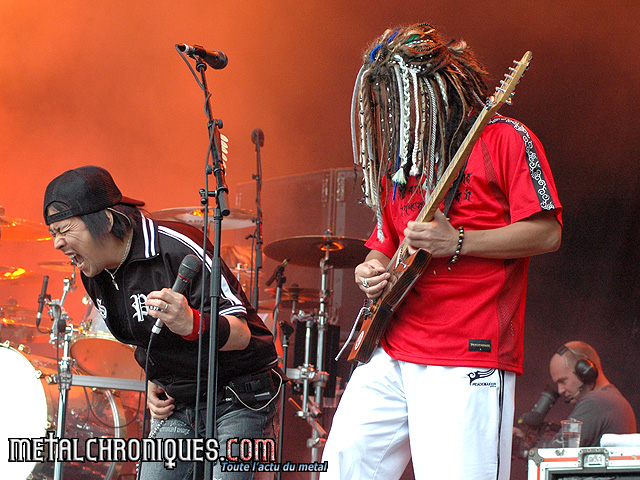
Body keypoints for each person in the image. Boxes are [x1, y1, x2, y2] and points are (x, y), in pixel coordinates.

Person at [321, 23, 562, 480]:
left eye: (403, 98)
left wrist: (459, 242)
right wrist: (370, 270)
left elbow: (547, 233)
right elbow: (383, 244)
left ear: (434, 90)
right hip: (392, 346)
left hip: (468, 351)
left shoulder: (505, 138)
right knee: (342, 467)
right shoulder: (404, 163)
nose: (395, 112)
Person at [43, 165, 281, 480]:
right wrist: (155, 375)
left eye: (64, 230)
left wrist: (192, 323)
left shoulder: (176, 246)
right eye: (53, 234)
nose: (57, 244)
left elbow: (241, 334)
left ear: (107, 221)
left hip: (238, 396)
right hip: (178, 402)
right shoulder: (93, 272)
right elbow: (143, 336)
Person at [549, 341, 636, 446]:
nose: (560, 390)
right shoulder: (614, 400)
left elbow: (556, 451)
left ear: (585, 371)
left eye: (563, 381)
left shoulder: (596, 401)